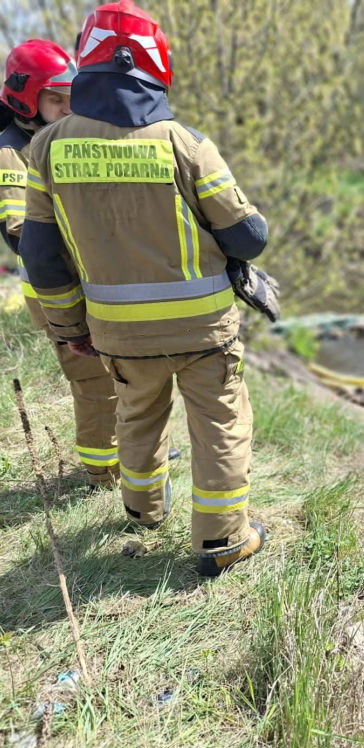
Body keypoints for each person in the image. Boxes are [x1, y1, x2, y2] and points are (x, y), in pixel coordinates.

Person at [20, 0, 276, 576]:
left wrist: (70, 328)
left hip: (116, 333)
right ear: (155, 65)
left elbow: (41, 256)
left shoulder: (47, 148)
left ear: (86, 66)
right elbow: (248, 236)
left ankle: (142, 510)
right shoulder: (185, 143)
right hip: (202, 330)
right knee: (220, 423)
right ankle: (222, 541)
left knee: (137, 413)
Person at [0, 39, 119, 489]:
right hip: (55, 291)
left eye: (71, 95)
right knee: (93, 380)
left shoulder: (65, 141)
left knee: (120, 368)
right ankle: (102, 472)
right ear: (26, 98)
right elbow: (20, 232)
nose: (67, 107)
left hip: (91, 282)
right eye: (55, 98)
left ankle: (137, 448)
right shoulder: (10, 150)